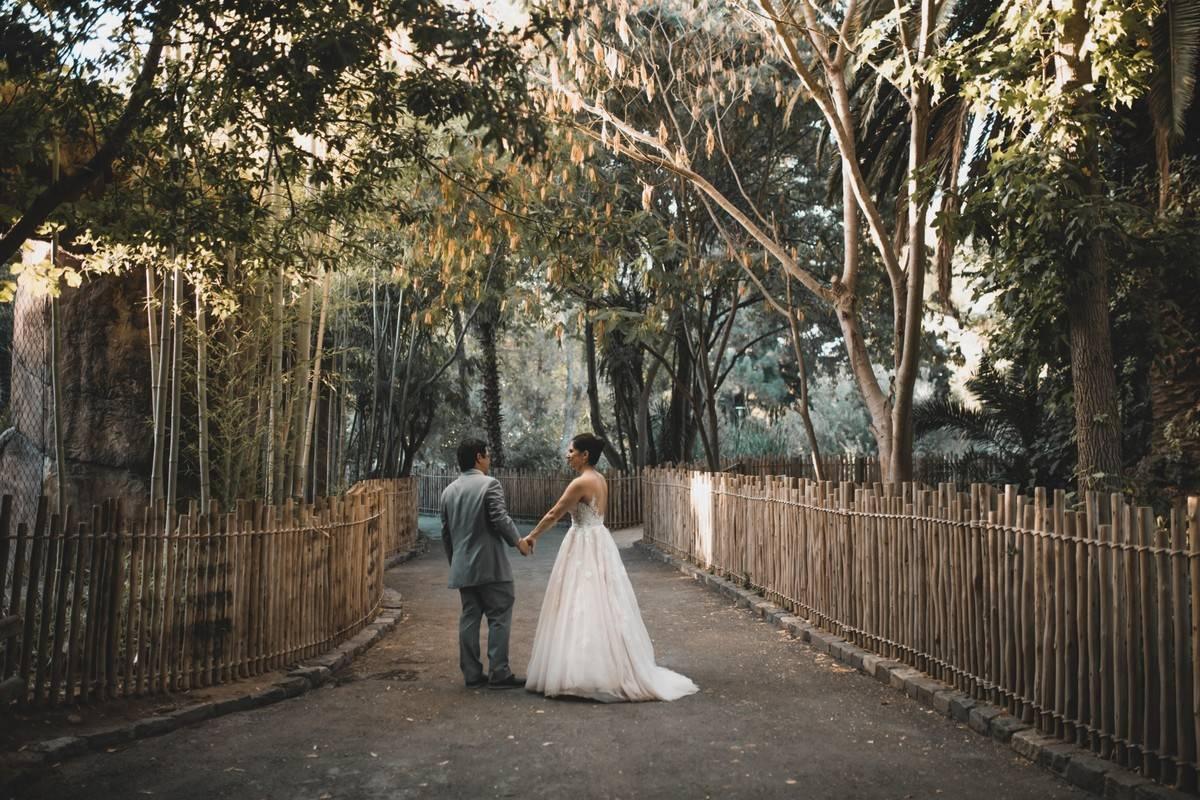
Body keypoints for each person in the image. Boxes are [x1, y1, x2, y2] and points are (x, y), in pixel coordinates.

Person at [520, 433, 699, 702]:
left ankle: (584, 672)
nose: (567, 455)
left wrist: (531, 537)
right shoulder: (600, 480)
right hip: (600, 540)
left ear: (585, 455)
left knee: (582, 600)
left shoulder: (580, 483)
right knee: (605, 600)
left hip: (582, 542)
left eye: (571, 451)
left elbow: (554, 513)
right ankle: (608, 667)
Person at [440, 438, 532, 689]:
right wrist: (519, 543)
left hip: (463, 568)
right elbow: (500, 519)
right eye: (487, 455)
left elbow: (446, 534)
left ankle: (471, 674)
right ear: (479, 457)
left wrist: (456, 563)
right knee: (499, 616)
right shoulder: (489, 484)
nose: (489, 460)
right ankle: (499, 673)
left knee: (469, 617)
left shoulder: (448, 491)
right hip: (491, 567)